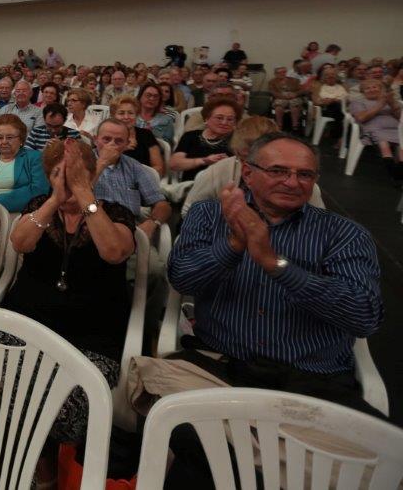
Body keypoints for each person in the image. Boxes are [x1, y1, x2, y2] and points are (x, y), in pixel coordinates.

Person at [159, 133, 384, 484]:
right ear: (247, 173)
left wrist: (274, 263)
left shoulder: (342, 234)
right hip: (222, 372)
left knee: (384, 462)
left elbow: (364, 315)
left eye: (304, 175)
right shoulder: (209, 215)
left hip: (312, 382)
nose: (292, 182)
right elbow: (182, 279)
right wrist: (233, 245)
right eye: (278, 170)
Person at [1, 139, 135, 465]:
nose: (68, 180)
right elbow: (19, 243)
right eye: (59, 173)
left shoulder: (115, 213)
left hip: (91, 335)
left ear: (92, 175)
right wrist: (54, 201)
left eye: (77, 174)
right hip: (27, 326)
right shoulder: (39, 206)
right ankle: (36, 467)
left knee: (62, 411)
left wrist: (85, 197)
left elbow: (114, 252)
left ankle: (48, 464)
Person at [182, 116, 325, 215]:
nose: (254, 168)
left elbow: (319, 223)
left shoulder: (300, 182)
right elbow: (189, 211)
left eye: (269, 164)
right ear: (237, 153)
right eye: (247, 159)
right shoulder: (218, 172)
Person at [92, 119, 171, 241]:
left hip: (129, 233)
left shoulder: (134, 167)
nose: (112, 144)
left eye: (119, 141)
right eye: (106, 139)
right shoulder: (83, 161)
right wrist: (102, 163)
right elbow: (75, 197)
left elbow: (162, 204)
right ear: (95, 139)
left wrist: (152, 223)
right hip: (92, 229)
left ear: (126, 144)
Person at [0, 114, 49, 213]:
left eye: (9, 137)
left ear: (21, 139)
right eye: (0, 137)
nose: (4, 142)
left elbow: (39, 190)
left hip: (16, 214)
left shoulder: (34, 158)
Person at [169, 98, 241, 181]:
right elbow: (174, 164)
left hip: (224, 186)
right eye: (219, 118)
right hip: (192, 185)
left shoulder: (238, 139)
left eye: (230, 119)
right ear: (206, 119)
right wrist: (204, 161)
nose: (224, 123)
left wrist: (229, 164)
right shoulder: (191, 136)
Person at [350, 79, 403, 181]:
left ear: (381, 89)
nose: (371, 90)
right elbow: (361, 118)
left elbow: (401, 117)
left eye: (374, 87)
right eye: (367, 88)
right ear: (363, 91)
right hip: (375, 128)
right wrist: (380, 105)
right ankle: (393, 172)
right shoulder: (358, 102)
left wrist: (392, 104)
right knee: (383, 143)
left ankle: (400, 171)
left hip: (397, 128)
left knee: (402, 143)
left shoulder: (391, 101)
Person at [110, 95, 165, 177]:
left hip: (143, 181)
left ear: (136, 115)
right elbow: (102, 165)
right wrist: (122, 149)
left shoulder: (146, 135)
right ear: (113, 116)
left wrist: (139, 179)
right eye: (121, 113)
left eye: (130, 113)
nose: (126, 117)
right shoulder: (107, 136)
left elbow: (159, 167)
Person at [311, 65, 348, 145]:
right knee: (338, 109)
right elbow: (315, 101)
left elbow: (348, 98)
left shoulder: (342, 86)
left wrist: (337, 100)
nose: (330, 76)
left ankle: (337, 136)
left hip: (342, 108)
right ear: (323, 77)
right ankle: (340, 138)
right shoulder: (319, 86)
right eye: (327, 75)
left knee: (338, 108)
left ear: (336, 76)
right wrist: (324, 102)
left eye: (333, 74)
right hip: (326, 109)